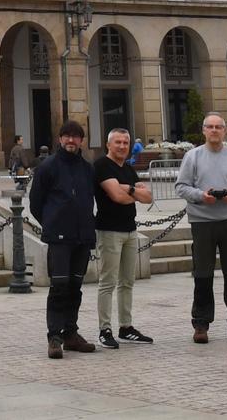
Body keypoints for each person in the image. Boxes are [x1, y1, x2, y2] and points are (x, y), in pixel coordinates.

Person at [174, 113, 227, 344]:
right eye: (209, 127)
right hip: (202, 223)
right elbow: (180, 187)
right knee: (202, 274)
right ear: (203, 131)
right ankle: (201, 324)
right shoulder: (193, 157)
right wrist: (201, 196)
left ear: (225, 130)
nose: (214, 131)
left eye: (218, 127)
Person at [27, 119, 99, 359]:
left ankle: (71, 334)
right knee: (59, 287)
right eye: (66, 136)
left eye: (75, 136)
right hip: (59, 239)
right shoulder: (48, 167)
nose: (71, 140)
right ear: (59, 139)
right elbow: (36, 203)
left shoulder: (87, 168)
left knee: (75, 287)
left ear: (81, 141)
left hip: (82, 238)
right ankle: (54, 337)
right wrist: (51, 222)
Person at [92, 127, 154, 348]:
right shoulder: (101, 166)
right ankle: (104, 329)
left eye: (125, 143)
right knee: (107, 282)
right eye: (117, 142)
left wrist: (127, 190)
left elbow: (148, 198)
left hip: (130, 230)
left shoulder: (128, 169)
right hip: (109, 230)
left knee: (127, 281)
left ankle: (126, 326)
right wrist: (132, 193)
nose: (122, 146)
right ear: (108, 144)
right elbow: (116, 196)